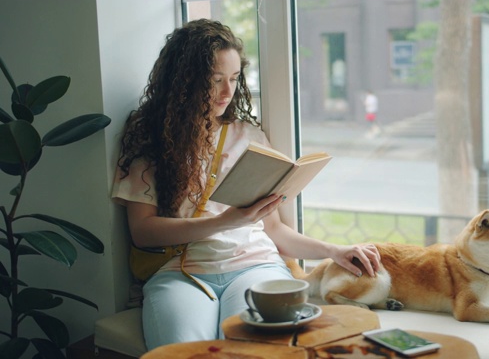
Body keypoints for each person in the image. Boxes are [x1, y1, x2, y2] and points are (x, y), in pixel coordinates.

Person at [111, 19, 381, 350]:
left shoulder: (249, 137)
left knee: (254, 350)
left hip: (254, 266)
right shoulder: (152, 142)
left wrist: (333, 251)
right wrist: (227, 221)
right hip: (180, 272)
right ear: (184, 82)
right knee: (183, 350)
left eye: (235, 79)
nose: (228, 91)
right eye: (216, 80)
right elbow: (143, 231)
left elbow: (275, 231)